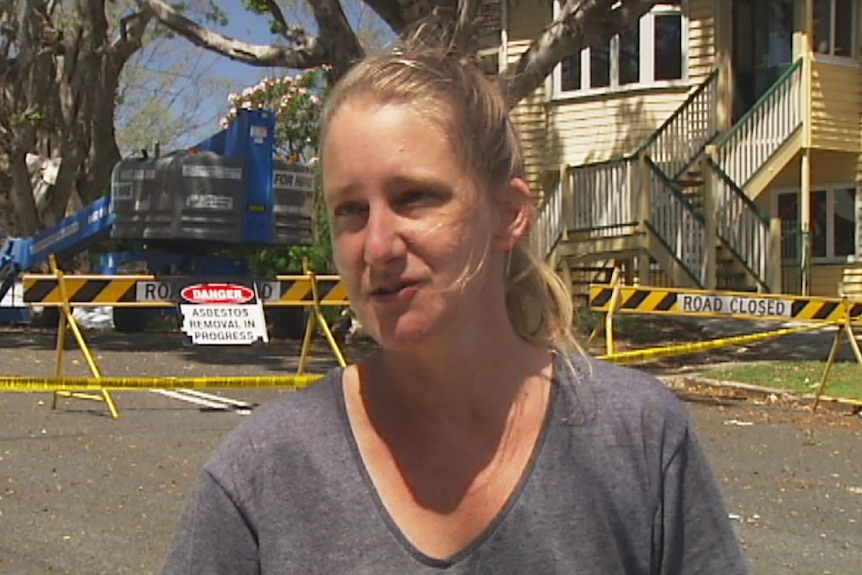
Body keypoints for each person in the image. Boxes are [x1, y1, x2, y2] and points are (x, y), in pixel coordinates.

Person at [162, 48, 750, 574]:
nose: (378, 246)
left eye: (415, 196)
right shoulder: (264, 473)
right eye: (350, 210)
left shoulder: (639, 439)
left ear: (509, 214)